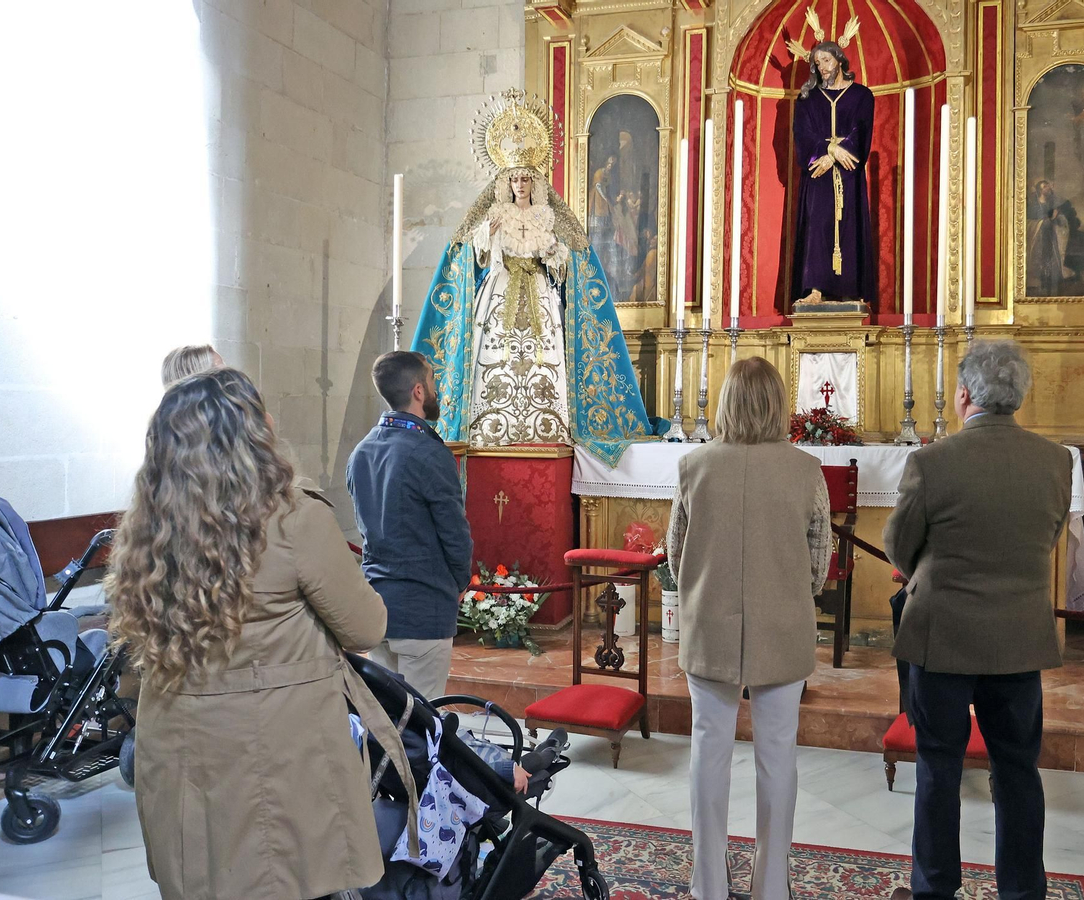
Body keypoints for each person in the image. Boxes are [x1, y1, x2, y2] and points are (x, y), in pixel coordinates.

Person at [107, 368, 394, 900]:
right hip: (275, 747)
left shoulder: (147, 529)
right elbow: (366, 627)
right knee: (283, 878)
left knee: (208, 876)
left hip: (180, 743)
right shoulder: (292, 520)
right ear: (253, 436)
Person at [883, 340, 1071, 900]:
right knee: (1017, 770)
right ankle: (1021, 891)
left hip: (942, 639)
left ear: (964, 395)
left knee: (939, 769)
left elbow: (898, 545)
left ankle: (935, 891)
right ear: (1019, 396)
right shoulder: (1056, 461)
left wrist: (931, 569)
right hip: (1018, 640)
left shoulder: (932, 462)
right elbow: (1049, 534)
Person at [666, 357, 831, 900]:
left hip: (708, 626)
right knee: (778, 757)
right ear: (778, 405)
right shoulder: (806, 469)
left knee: (708, 754)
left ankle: (708, 884)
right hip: (782, 627)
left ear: (727, 402)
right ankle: (770, 888)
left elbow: (674, 554)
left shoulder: (694, 466)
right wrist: (784, 595)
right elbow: (819, 563)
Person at [413, 91, 650, 466]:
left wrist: (555, 254)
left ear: (533, 182)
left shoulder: (547, 216)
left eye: (526, 179)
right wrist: (485, 237)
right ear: (506, 182)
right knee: (495, 351)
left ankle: (547, 424)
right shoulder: (494, 213)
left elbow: (566, 261)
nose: (520, 185)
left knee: (545, 352)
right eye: (515, 179)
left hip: (538, 292)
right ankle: (491, 423)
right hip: (501, 288)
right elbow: (471, 254)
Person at [347, 350, 473, 702]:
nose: (435, 389)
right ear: (418, 391)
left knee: (389, 720)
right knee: (424, 725)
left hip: (378, 607)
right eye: (431, 380)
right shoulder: (429, 453)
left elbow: (366, 529)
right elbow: (455, 534)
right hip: (423, 610)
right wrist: (459, 582)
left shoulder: (362, 451)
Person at [791, 34, 876, 307]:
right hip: (817, 176)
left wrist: (840, 153)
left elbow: (861, 131)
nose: (823, 67)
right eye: (817, 63)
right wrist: (829, 151)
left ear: (839, 59)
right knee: (817, 227)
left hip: (848, 175)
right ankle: (814, 289)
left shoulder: (862, 95)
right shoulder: (807, 99)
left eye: (826, 60)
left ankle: (850, 290)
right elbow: (802, 134)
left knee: (849, 225)